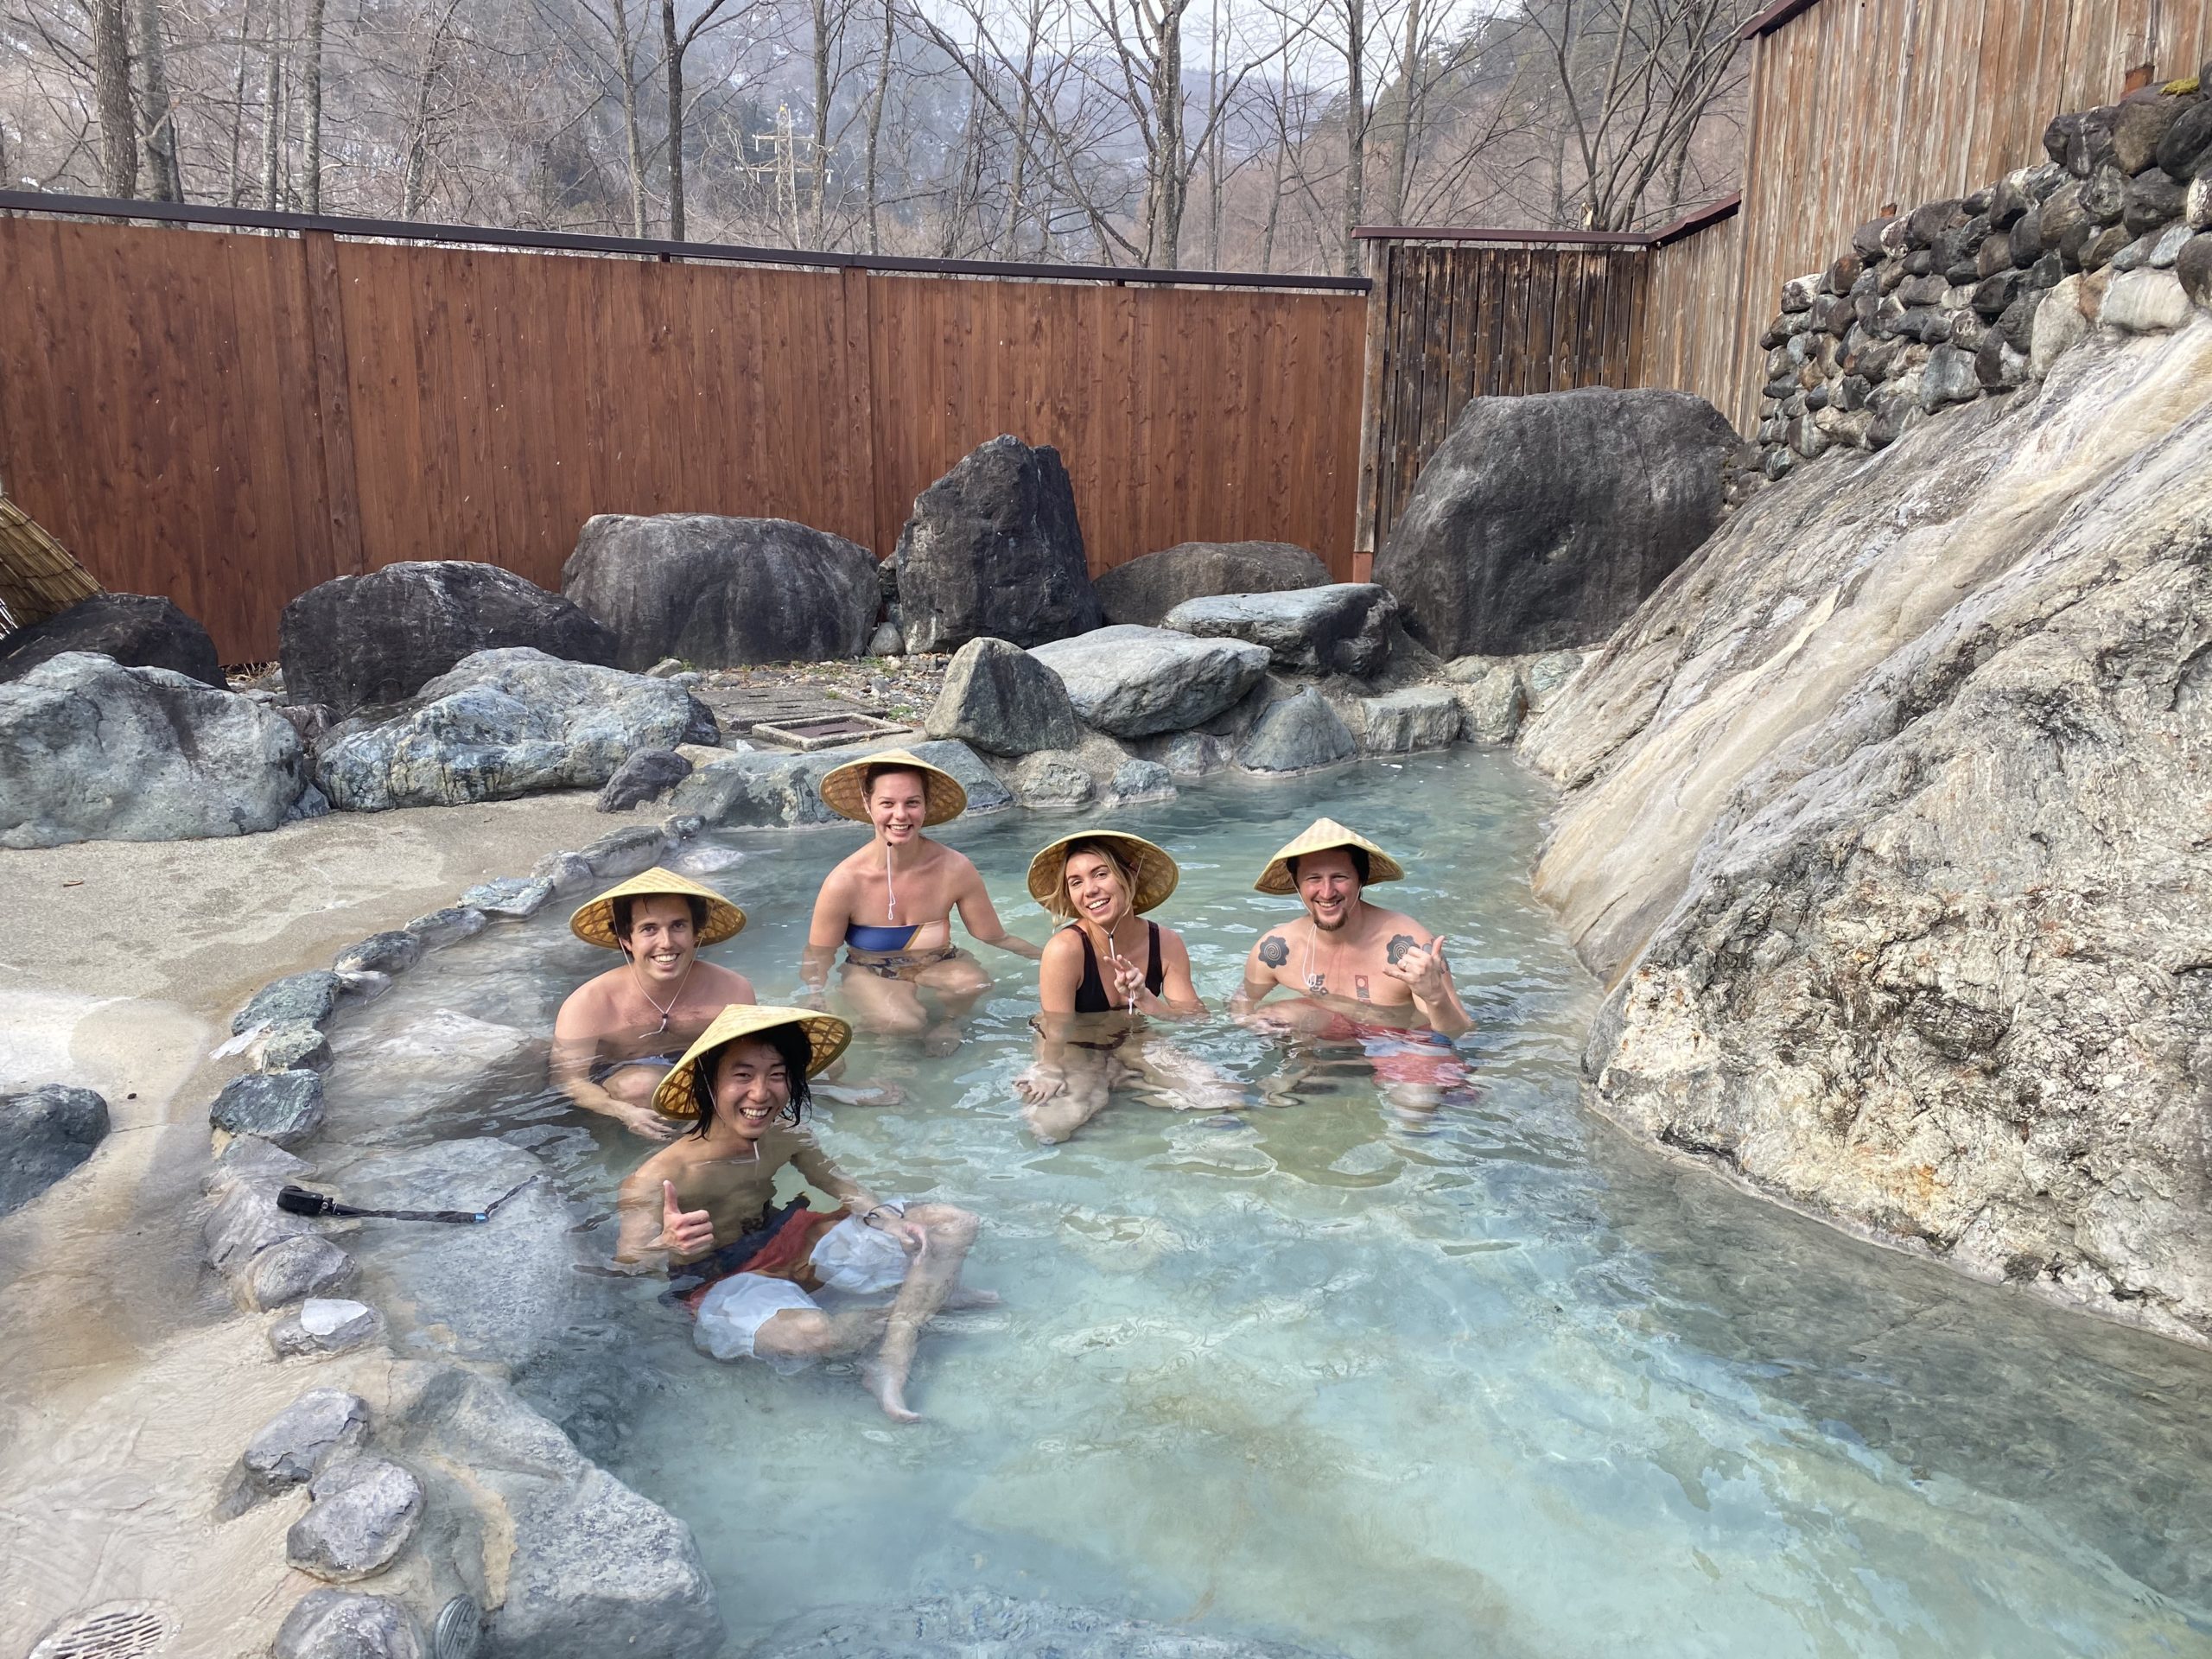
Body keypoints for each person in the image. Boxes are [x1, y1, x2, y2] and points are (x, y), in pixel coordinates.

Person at [613, 1004, 989, 1422]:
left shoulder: (786, 1135)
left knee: (952, 1223)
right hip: (719, 1276)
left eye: (777, 1075)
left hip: (790, 1242)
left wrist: (890, 1219)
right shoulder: (659, 1175)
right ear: (708, 1084)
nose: (761, 1093)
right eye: (742, 1076)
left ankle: (894, 1352)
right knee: (816, 1337)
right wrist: (665, 1245)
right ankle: (926, 1297)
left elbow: (842, 1185)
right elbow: (627, 1263)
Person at [803, 748, 1039, 1051]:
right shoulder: (844, 882)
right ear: (868, 803)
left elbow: (995, 936)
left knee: (975, 983)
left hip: (936, 962)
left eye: (912, 803)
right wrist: (815, 996)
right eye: (887, 803)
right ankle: (878, 1025)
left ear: (925, 806)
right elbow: (818, 953)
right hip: (871, 969)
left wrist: (1049, 956)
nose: (900, 815)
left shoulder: (954, 868)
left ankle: (948, 1023)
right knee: (903, 1024)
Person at [1231, 818, 1472, 1112]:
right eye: (1313, 879)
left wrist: (1435, 997)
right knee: (1270, 1017)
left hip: (1403, 1040)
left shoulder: (1407, 945)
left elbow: (1458, 1030)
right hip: (1334, 1032)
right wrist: (1246, 1022)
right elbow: (1244, 998)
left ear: (1361, 879)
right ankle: (1322, 1068)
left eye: (1339, 877)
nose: (1327, 891)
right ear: (1297, 884)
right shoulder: (1278, 948)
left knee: (1415, 1107)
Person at [1013, 832, 1240, 1141]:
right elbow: (1057, 1026)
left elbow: (1197, 1018)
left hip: (1133, 1037)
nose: (1090, 890)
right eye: (1076, 882)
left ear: (1127, 877)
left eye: (1101, 874)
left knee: (1224, 1097)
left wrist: (1148, 1001)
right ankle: (1122, 1081)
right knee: (1052, 1126)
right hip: (1072, 1046)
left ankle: (1119, 1078)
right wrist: (1048, 1068)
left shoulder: (1166, 943)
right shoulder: (1065, 949)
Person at [551, 868, 752, 1141]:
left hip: (704, 1079)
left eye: (678, 926)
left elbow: (751, 1059)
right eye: (649, 929)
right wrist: (620, 1110)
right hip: (623, 1085)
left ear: (696, 933)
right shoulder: (588, 1004)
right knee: (638, 1086)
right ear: (626, 940)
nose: (666, 942)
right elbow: (569, 1080)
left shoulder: (733, 989)